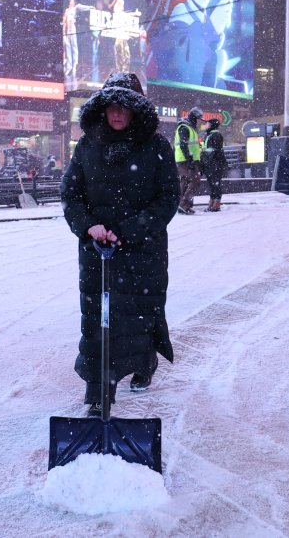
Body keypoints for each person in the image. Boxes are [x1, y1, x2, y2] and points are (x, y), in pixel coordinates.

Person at [60, 72, 179, 416]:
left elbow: (168, 197)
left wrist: (128, 230)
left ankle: (144, 363)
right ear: (102, 109)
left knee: (139, 313)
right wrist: (89, 226)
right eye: (111, 106)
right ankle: (97, 393)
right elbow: (71, 193)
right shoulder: (86, 146)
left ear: (135, 112)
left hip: (142, 250)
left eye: (124, 108)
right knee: (98, 320)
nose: (116, 114)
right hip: (97, 250)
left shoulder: (157, 147)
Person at [173, 107, 203, 214]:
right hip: (185, 160)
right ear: (194, 118)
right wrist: (189, 159)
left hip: (188, 159)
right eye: (199, 118)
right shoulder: (185, 127)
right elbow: (183, 145)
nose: (200, 121)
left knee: (185, 181)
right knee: (195, 181)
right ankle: (183, 203)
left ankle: (184, 205)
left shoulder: (190, 127)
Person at [201, 118, 228, 212]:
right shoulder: (210, 135)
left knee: (216, 183)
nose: (206, 125)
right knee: (212, 184)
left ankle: (216, 203)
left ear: (212, 125)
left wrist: (207, 158)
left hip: (215, 164)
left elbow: (215, 151)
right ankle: (212, 202)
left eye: (207, 124)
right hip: (210, 164)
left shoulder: (216, 135)